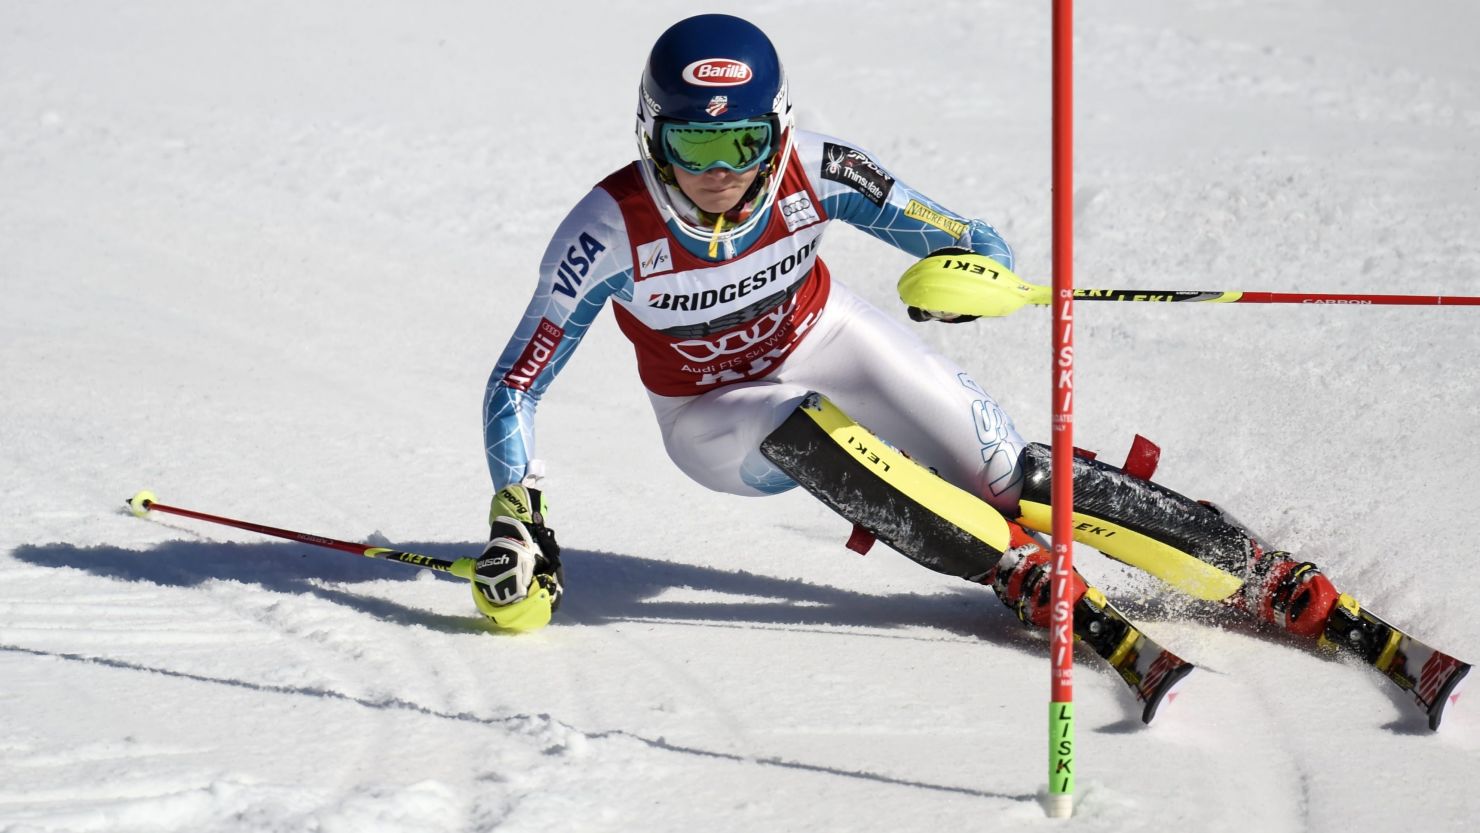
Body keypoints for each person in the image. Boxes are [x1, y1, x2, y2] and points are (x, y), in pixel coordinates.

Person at [468, 13, 1469, 728]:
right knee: (798, 418)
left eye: (740, 140)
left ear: (776, 129)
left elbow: (963, 233)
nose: (719, 172)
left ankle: (1275, 582)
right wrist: (522, 514)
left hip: (824, 330)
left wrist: (974, 275)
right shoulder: (607, 229)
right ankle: (1024, 575)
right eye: (693, 143)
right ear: (651, 134)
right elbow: (516, 380)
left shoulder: (821, 168)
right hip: (712, 417)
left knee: (1018, 473)